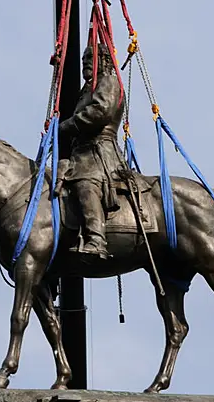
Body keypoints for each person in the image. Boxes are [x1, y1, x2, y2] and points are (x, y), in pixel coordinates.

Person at [58, 42, 128, 259]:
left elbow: (100, 111)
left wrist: (67, 125)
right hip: (80, 152)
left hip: (100, 152)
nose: (85, 63)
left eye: (90, 58)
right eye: (83, 59)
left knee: (85, 183)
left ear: (104, 60)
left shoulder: (109, 81)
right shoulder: (85, 91)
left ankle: (96, 239)